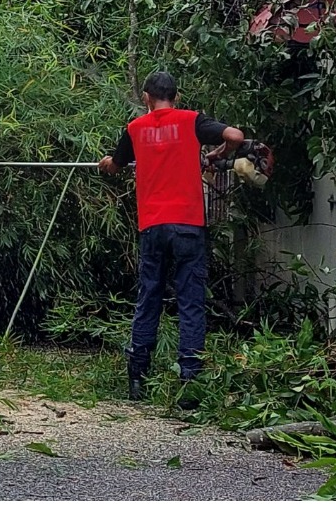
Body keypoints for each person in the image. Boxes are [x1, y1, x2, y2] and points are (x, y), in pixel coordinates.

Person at [98, 72, 244, 409]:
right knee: (190, 301)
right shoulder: (191, 121)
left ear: (147, 98)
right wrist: (219, 152)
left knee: (149, 296)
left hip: (152, 224)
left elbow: (115, 166)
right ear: (175, 97)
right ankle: (189, 382)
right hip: (189, 224)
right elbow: (236, 134)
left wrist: (106, 163)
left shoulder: (135, 129)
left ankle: (137, 377)